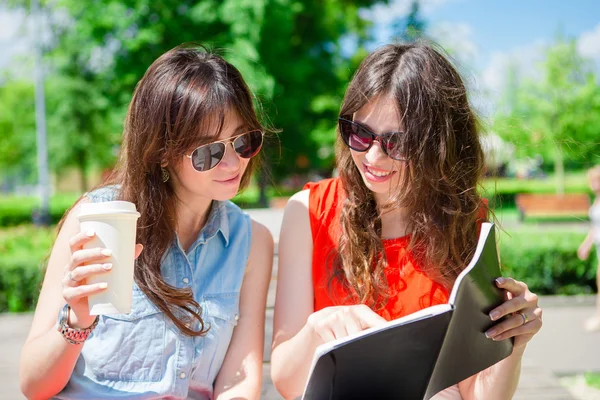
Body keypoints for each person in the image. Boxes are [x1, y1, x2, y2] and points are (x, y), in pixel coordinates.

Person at [271, 42, 543, 399]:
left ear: (439, 145)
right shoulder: (308, 211)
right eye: (360, 133)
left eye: (396, 143)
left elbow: (480, 394)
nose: (372, 157)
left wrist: (512, 343)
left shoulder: (464, 220)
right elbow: (287, 383)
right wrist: (317, 330)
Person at [19, 44, 274, 399]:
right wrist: (78, 320)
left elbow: (240, 383)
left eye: (243, 141)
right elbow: (33, 385)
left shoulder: (251, 242)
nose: (232, 164)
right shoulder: (94, 218)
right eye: (208, 152)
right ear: (162, 153)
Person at [577, 165, 600, 332]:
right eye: (591, 180)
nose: (592, 184)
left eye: (596, 180)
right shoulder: (597, 199)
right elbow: (595, 227)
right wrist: (586, 244)